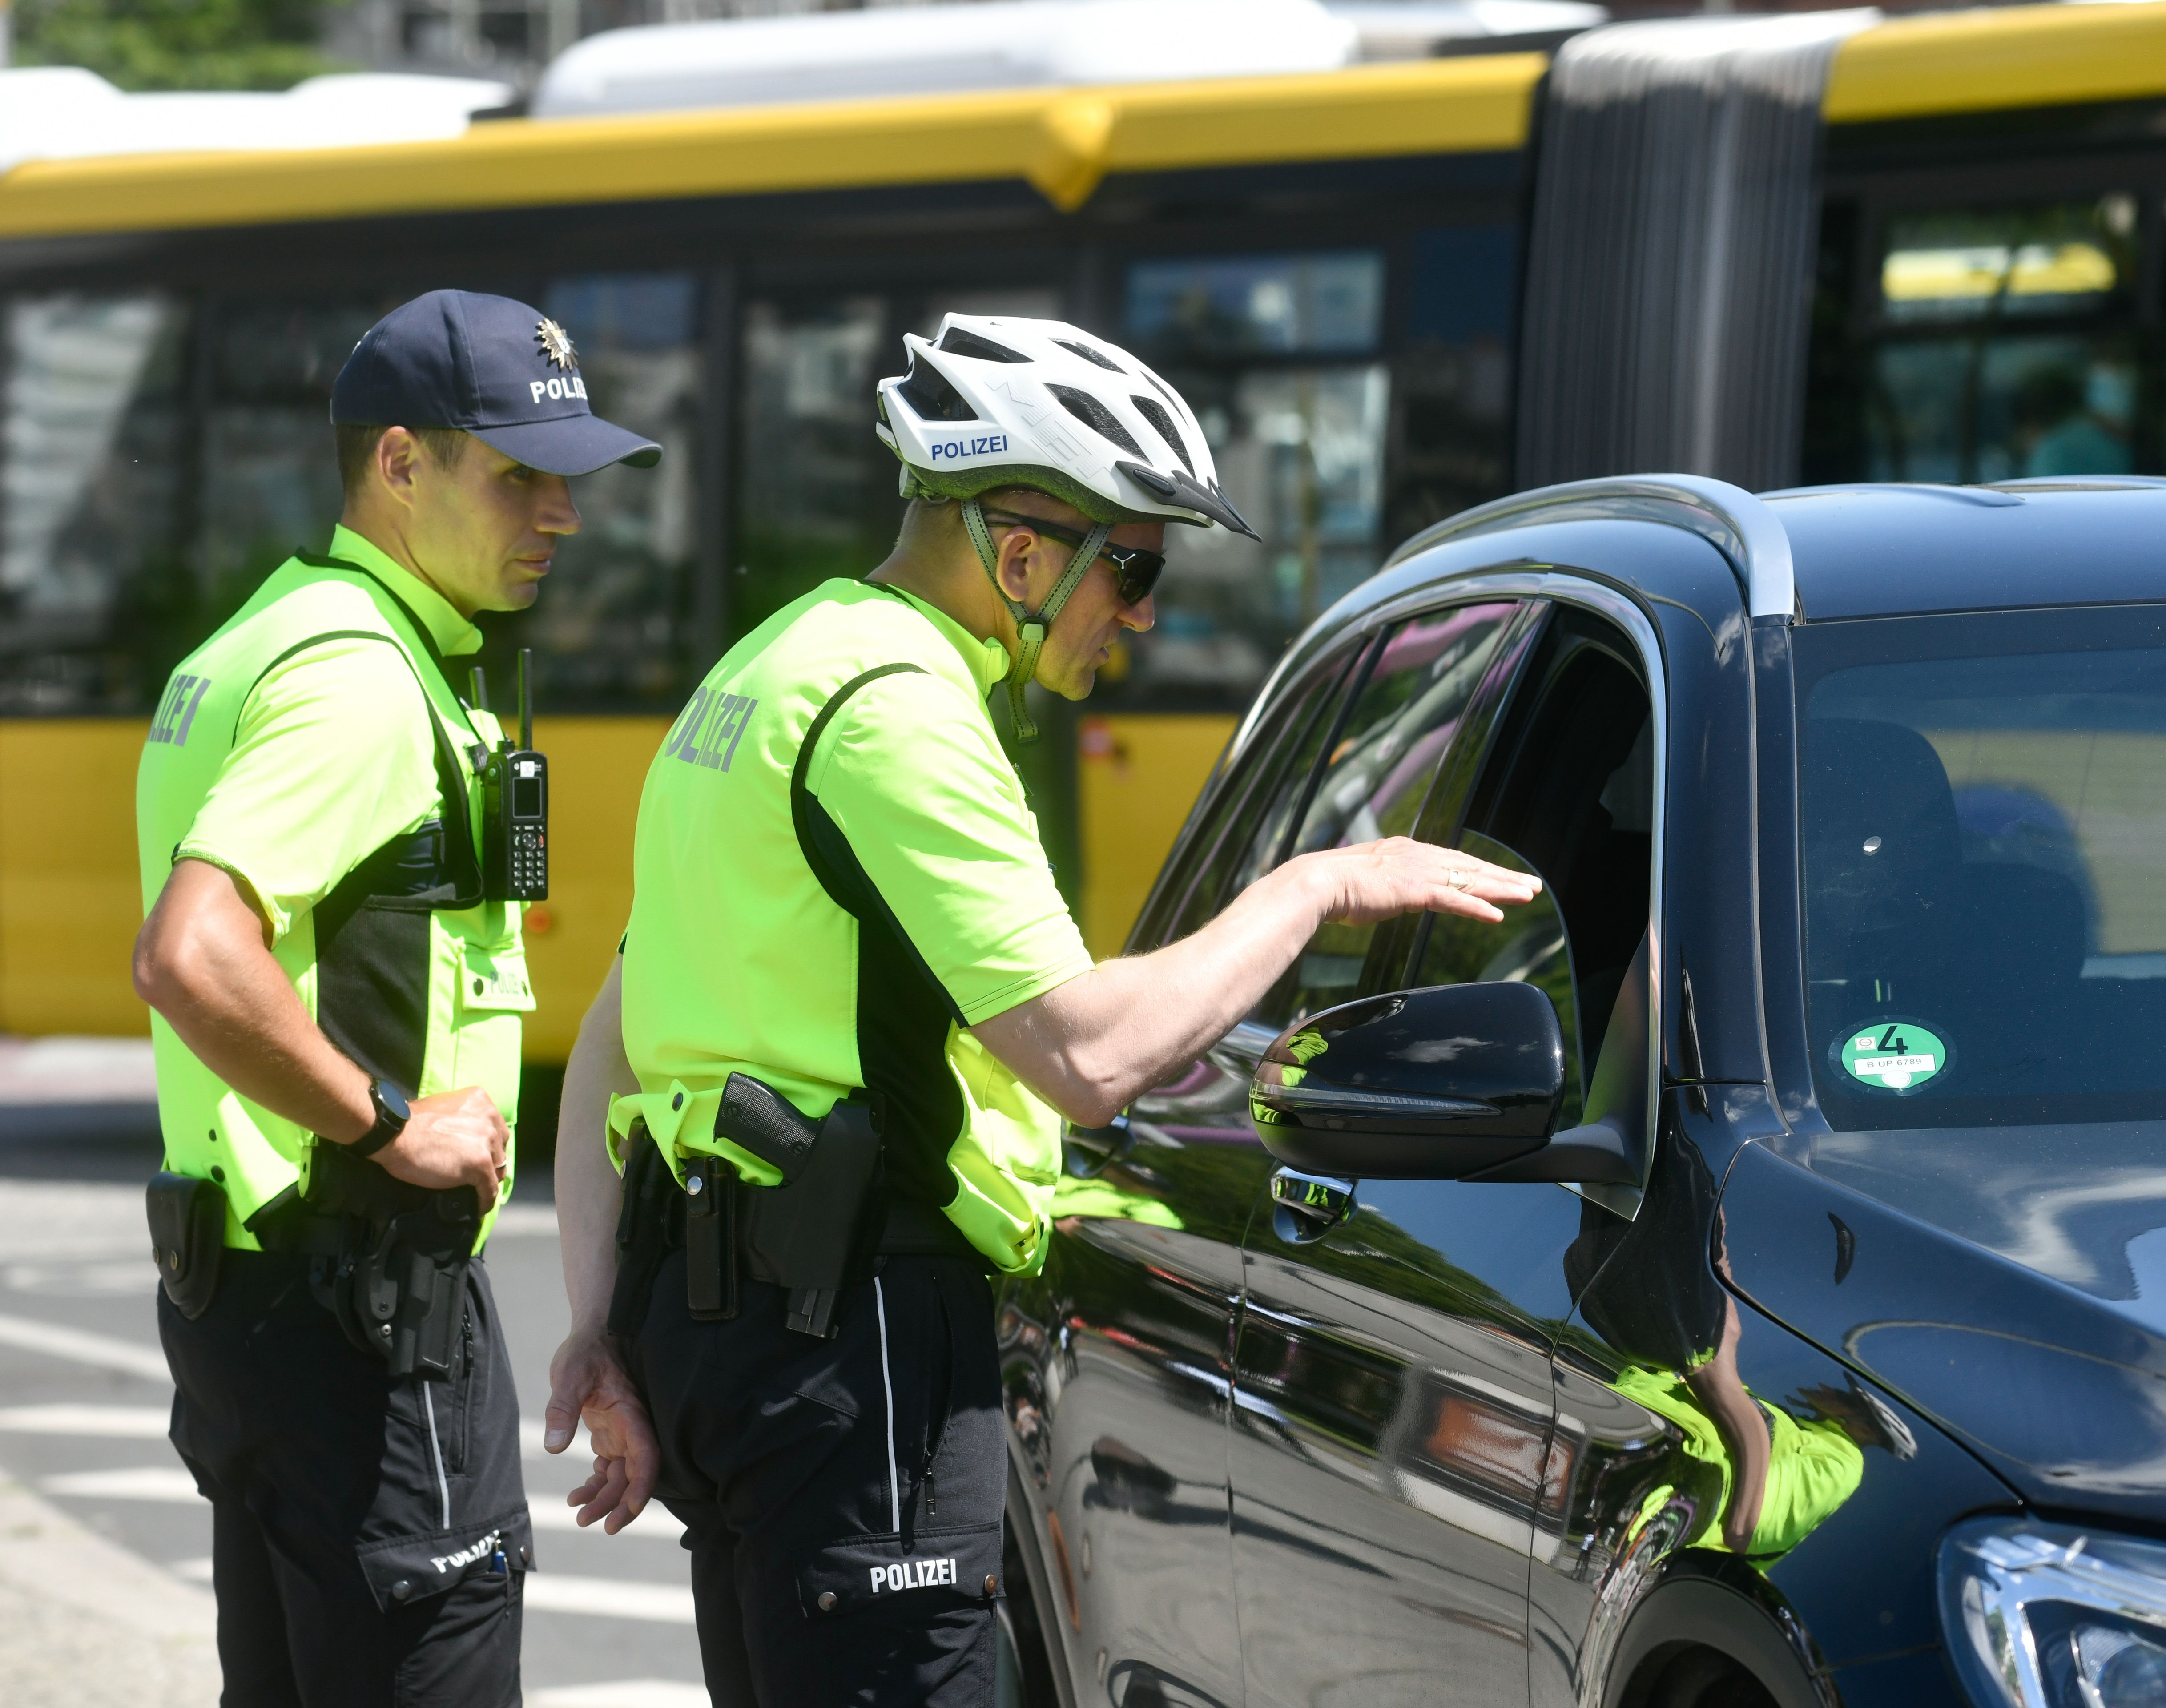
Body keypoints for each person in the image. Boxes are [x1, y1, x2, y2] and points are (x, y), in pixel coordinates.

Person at [543, 313, 1536, 1705]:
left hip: (729, 1338)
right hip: (863, 1353)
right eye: (1129, 564)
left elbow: (610, 1030)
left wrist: (597, 1317)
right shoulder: (901, 712)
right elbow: (1088, 1052)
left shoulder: (771, 666)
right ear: (1018, 551)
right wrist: (1314, 884)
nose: (1138, 609)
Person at [131, 289, 659, 1704]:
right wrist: (390, 1124)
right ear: (399, 464)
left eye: (570, 478)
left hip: (253, 1297)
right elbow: (191, 949)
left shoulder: (275, 630)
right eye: (518, 475)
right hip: (367, 1312)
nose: (560, 514)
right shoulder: (364, 680)